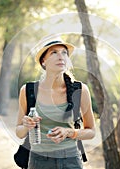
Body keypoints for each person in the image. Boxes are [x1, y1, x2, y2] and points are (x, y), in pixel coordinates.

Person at [16, 39, 96, 169]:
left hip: (71, 160)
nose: (61, 56)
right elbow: (19, 133)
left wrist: (69, 132)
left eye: (64, 53)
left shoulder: (80, 90)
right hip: (38, 161)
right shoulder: (28, 90)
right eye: (54, 53)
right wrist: (26, 125)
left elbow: (91, 131)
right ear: (43, 61)